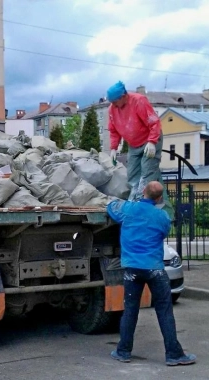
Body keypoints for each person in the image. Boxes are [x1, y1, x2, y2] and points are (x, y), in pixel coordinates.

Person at [107, 181, 196, 366]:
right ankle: (174, 354)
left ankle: (123, 351)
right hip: (155, 269)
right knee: (164, 311)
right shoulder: (162, 216)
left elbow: (111, 209)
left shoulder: (128, 209)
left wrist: (115, 202)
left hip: (132, 269)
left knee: (130, 310)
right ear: (160, 198)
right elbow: (163, 233)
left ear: (143, 193)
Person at [106, 81, 174, 219]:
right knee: (133, 175)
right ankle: (164, 209)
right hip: (134, 144)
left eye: (115, 101)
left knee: (146, 174)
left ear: (123, 96)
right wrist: (113, 148)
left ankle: (138, 206)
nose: (113, 104)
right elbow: (113, 130)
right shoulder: (112, 109)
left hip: (150, 140)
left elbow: (154, 122)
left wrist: (152, 142)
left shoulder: (139, 101)